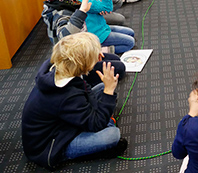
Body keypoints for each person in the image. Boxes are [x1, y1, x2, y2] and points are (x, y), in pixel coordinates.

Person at [21, 32, 127, 169]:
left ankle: (105, 117)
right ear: (84, 63)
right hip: (51, 146)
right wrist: (109, 91)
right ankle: (86, 149)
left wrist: (105, 93)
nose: (100, 56)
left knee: (101, 88)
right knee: (112, 135)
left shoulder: (61, 68)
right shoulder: (66, 95)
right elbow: (96, 124)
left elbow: (84, 88)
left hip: (62, 122)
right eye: (97, 54)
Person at [42, 0, 125, 85]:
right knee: (119, 69)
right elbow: (64, 38)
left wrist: (93, 49)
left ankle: (99, 52)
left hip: (83, 49)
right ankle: (83, 82)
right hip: (74, 64)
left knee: (116, 60)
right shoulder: (61, 12)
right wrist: (82, 12)